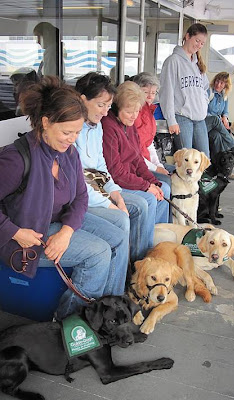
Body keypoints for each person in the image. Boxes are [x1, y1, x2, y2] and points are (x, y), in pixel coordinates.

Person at [0, 76, 128, 320]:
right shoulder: (16, 159)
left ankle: (111, 312)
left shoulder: (67, 152)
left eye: (77, 132)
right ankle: (71, 325)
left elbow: (81, 197)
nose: (72, 139)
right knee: (99, 252)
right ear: (46, 123)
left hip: (57, 223)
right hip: (27, 235)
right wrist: (16, 233)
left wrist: (67, 232)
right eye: (67, 132)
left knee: (120, 234)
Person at [75, 72, 150, 262]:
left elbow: (100, 164)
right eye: (101, 105)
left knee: (132, 206)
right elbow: (79, 180)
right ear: (82, 100)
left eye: (108, 106)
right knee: (125, 215)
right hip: (82, 197)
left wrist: (115, 194)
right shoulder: (72, 129)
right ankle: (131, 268)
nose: (105, 112)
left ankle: (137, 264)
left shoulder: (97, 125)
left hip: (97, 188)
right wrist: (109, 203)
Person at [102, 81, 170, 248]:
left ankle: (158, 242)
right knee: (149, 199)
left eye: (137, 111)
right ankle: (141, 253)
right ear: (116, 108)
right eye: (129, 111)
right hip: (115, 182)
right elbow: (115, 172)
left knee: (164, 189)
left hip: (129, 177)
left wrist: (152, 182)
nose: (134, 116)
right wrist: (146, 186)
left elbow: (137, 159)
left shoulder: (129, 125)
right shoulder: (108, 127)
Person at [159, 23, 210, 157]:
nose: (199, 45)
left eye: (202, 43)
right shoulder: (173, 61)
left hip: (199, 117)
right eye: (197, 40)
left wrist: (203, 104)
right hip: (182, 117)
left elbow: (205, 89)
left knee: (204, 158)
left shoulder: (198, 64)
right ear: (187, 36)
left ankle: (202, 179)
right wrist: (171, 120)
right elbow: (166, 92)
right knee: (185, 160)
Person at [132, 72, 175, 188]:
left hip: (149, 162)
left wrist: (158, 165)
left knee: (181, 172)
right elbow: (134, 154)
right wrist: (156, 168)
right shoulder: (133, 115)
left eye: (153, 92)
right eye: (145, 92)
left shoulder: (150, 112)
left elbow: (149, 144)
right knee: (168, 181)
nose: (150, 96)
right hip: (138, 165)